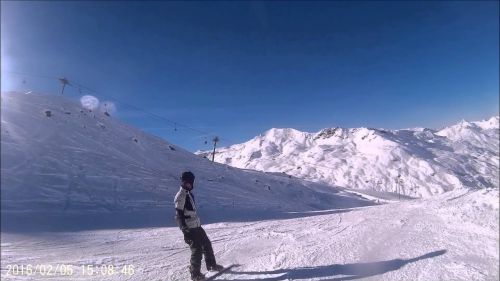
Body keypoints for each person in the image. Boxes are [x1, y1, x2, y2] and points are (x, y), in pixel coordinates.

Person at [174, 171, 224, 281]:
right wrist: (184, 229)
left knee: (206, 244)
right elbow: (179, 215)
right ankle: (195, 273)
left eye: (190, 183)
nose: (189, 185)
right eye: (187, 183)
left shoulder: (188, 193)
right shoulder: (181, 196)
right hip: (189, 228)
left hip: (197, 225)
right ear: (183, 182)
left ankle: (211, 265)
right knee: (196, 250)